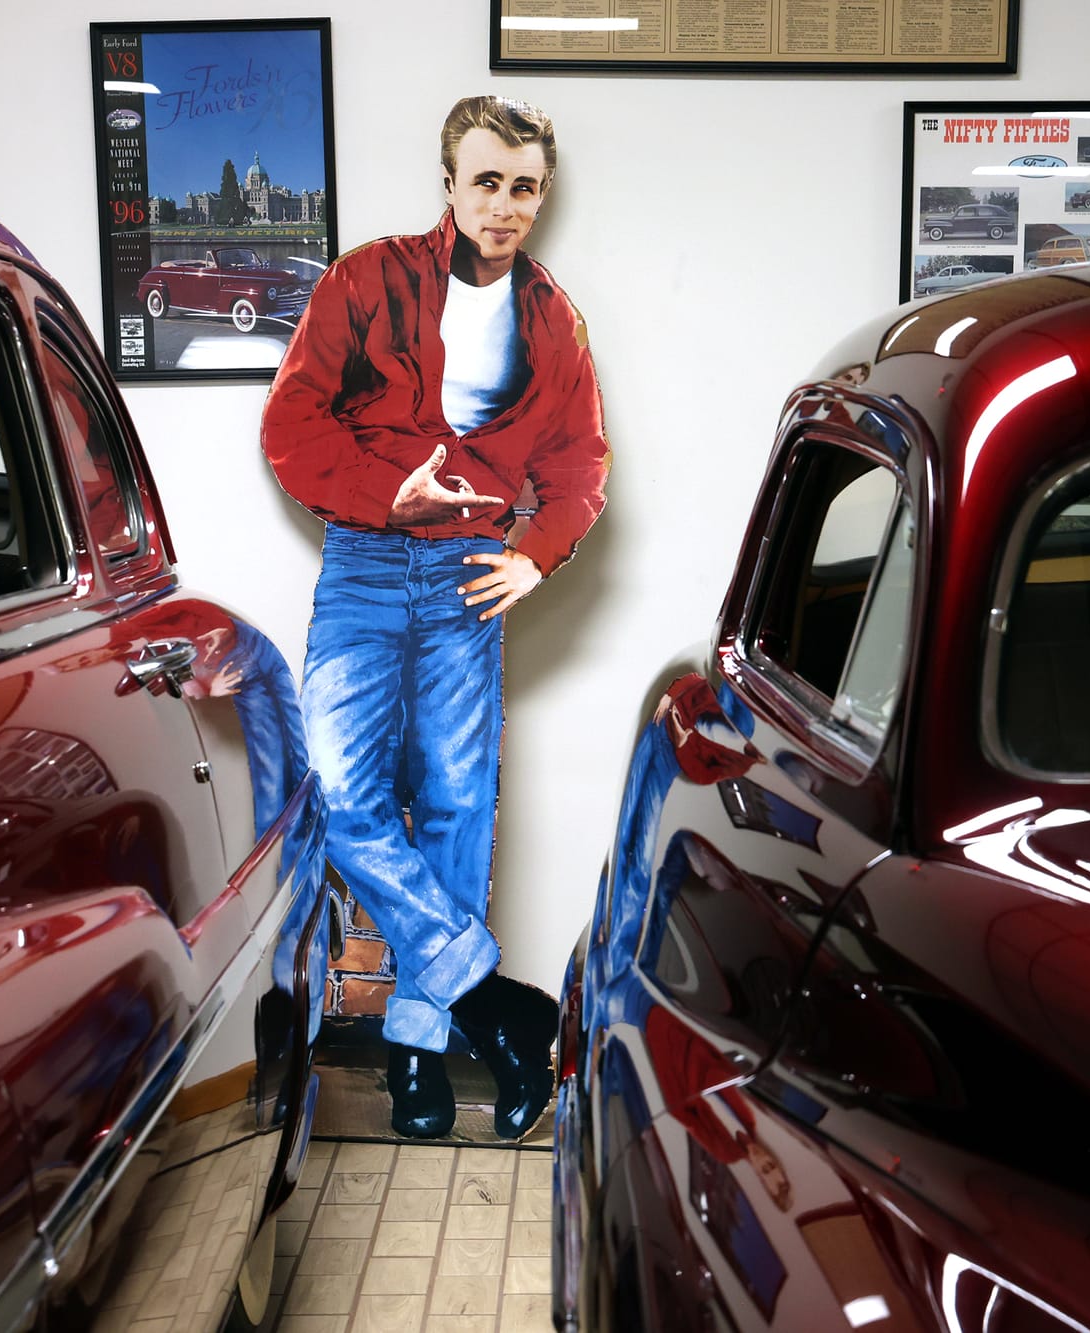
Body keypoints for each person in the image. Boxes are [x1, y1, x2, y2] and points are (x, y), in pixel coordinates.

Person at [261, 95, 609, 1138]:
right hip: (364, 563)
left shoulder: (554, 320)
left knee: (458, 803)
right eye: (487, 181)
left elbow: (580, 467)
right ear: (449, 183)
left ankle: (417, 1052)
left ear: (543, 196)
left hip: (468, 574)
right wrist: (386, 495)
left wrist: (535, 555)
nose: (504, 205)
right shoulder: (364, 279)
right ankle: (493, 1004)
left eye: (524, 188)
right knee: (333, 791)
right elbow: (289, 425)